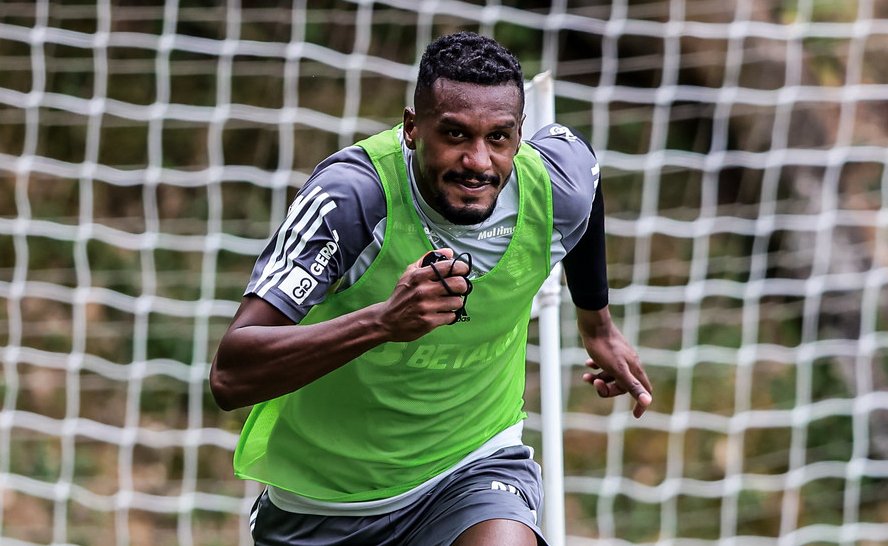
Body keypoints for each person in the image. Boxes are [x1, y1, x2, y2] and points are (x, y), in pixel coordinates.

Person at [210, 31, 652, 546]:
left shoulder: (553, 185)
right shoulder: (352, 200)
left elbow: (589, 176)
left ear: (519, 134)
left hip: (471, 469)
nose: (479, 162)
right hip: (322, 505)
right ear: (412, 128)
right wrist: (382, 323)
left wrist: (597, 324)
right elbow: (231, 375)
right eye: (456, 135)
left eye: (499, 138)